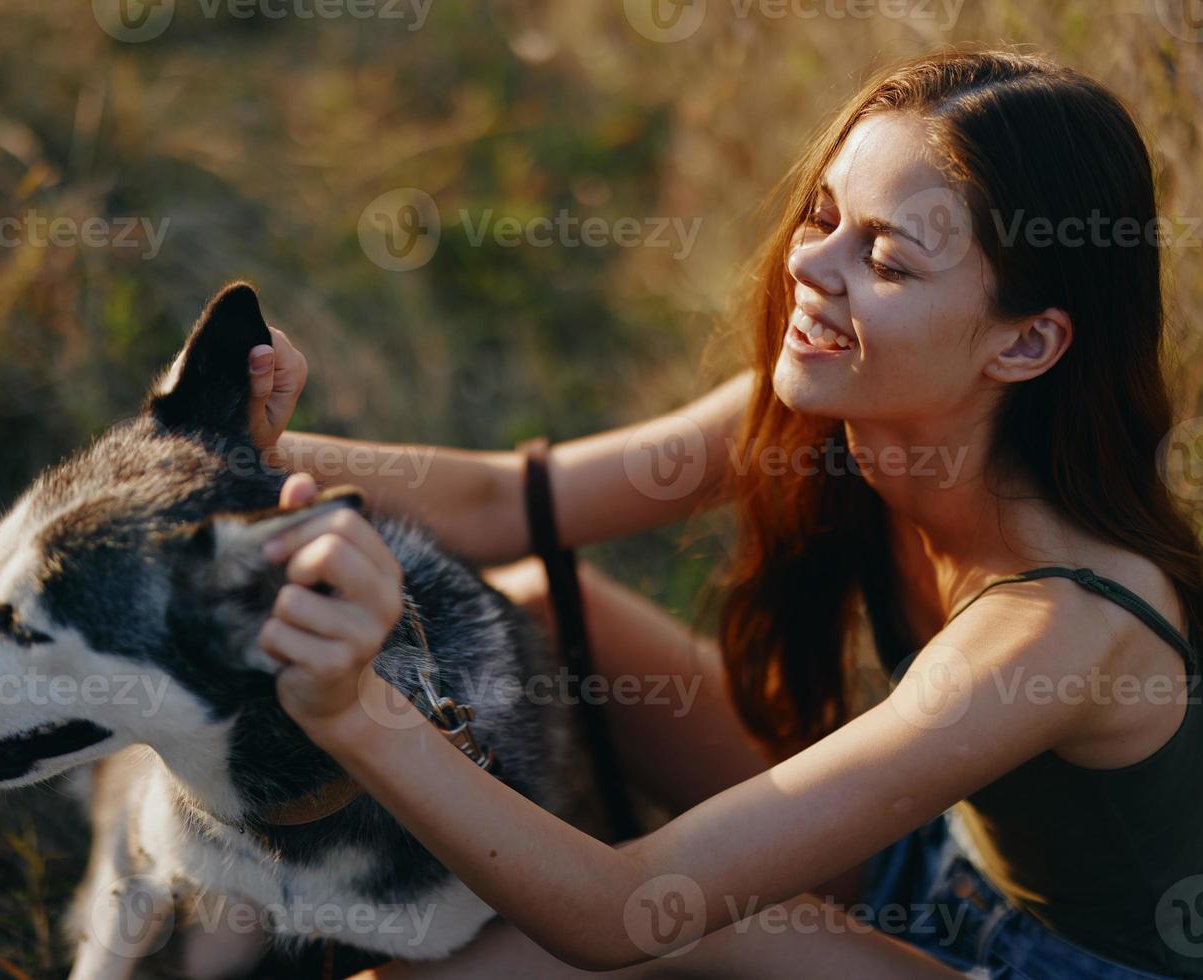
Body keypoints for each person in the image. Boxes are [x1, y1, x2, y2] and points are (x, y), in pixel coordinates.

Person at [239, 49, 1203, 977]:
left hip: (1064, 967)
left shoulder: (1061, 625)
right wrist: (238, 445)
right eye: (824, 215)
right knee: (537, 608)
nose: (812, 268)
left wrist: (355, 711)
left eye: (890, 262)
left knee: (701, 922)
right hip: (937, 867)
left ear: (1027, 343)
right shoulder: (842, 409)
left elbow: (622, 911)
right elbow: (506, 500)